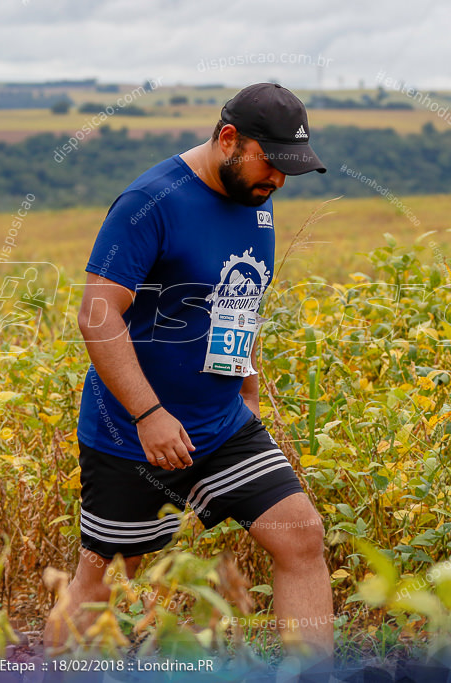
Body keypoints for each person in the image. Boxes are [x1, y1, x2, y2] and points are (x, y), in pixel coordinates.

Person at [48, 83, 333, 662]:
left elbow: (238, 295)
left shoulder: (253, 196)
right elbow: (97, 316)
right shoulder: (150, 202)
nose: (278, 181)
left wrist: (247, 389)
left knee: (300, 536)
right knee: (102, 579)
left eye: (287, 170)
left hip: (222, 425)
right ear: (228, 139)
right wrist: (150, 416)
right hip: (133, 436)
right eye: (271, 164)